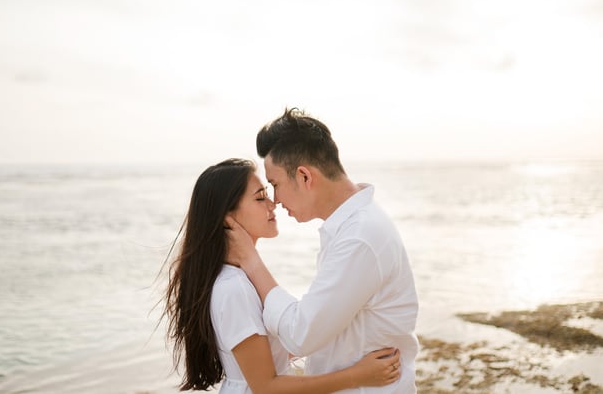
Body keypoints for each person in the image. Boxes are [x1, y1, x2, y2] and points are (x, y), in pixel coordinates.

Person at [162, 158, 402, 393]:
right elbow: (266, 387)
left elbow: (270, 353)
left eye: (268, 192)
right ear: (228, 218)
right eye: (260, 197)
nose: (272, 203)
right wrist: (358, 375)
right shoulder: (233, 287)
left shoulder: (241, 277)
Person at [225, 108, 420, 393]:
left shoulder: (359, 237)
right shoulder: (352, 227)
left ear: (304, 176)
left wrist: (250, 261)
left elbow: (301, 334)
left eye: (275, 185)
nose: (275, 200)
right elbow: (324, 328)